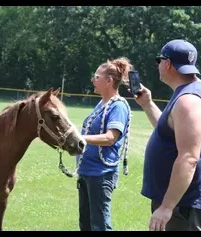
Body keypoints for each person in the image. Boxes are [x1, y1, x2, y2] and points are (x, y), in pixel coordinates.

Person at [135, 39, 201, 231]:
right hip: (181, 203)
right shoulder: (191, 93)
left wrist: (166, 207)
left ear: (168, 64)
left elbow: (189, 158)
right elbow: (172, 134)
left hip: (183, 205)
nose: (158, 66)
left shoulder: (189, 101)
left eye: (159, 60)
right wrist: (147, 105)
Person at [76, 57, 133, 231]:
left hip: (101, 173)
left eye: (97, 77)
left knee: (100, 225)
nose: (93, 80)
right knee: (85, 224)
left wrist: (80, 138)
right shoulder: (102, 104)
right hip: (87, 171)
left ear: (109, 81)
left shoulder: (118, 106)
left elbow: (110, 138)